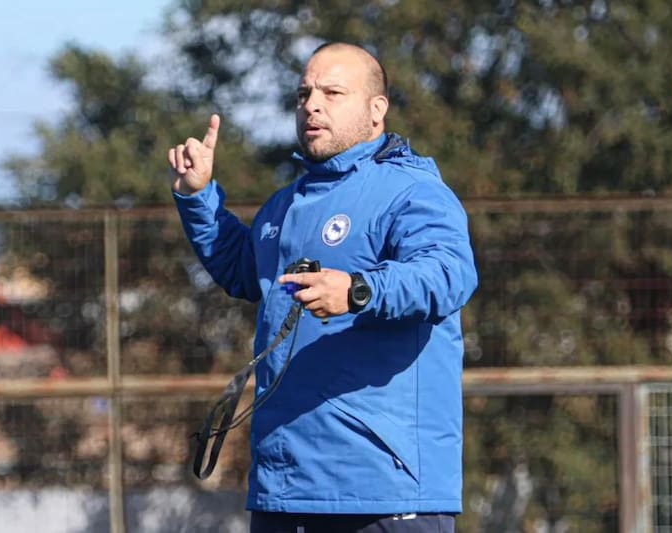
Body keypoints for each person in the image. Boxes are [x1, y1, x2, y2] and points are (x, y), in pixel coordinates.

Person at [169, 42, 478, 533]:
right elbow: (244, 271)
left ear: (376, 110)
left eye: (333, 92)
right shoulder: (282, 205)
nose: (312, 104)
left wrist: (359, 290)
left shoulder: (413, 191)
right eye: (303, 94)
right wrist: (198, 196)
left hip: (383, 492)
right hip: (285, 490)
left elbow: (447, 274)